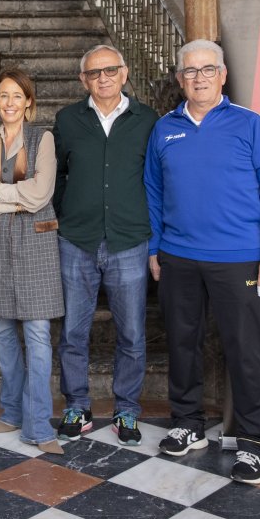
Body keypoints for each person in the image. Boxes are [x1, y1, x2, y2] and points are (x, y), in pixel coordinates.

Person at [144, 39, 260, 485]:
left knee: (244, 351)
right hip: (178, 258)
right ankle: (188, 424)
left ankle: (254, 444)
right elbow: (153, 191)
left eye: (208, 69)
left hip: (238, 260)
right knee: (183, 345)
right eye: (190, 71)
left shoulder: (249, 124)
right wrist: (155, 248)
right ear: (179, 79)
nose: (199, 77)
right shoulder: (164, 128)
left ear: (223, 75)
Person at [52, 44, 157, 446]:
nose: (103, 78)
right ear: (83, 80)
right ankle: (77, 406)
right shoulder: (68, 119)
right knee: (73, 333)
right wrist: (66, 216)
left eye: (110, 70)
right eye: (94, 73)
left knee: (131, 333)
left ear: (125, 73)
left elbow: (156, 180)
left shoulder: (147, 120)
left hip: (129, 240)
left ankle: (126, 410)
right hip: (77, 239)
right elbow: (58, 176)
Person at [0, 69, 62, 455]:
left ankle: (39, 425)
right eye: (3, 96)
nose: (9, 103)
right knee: (4, 333)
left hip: (36, 244)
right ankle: (12, 411)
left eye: (17, 96)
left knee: (37, 336)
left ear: (28, 102)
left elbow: (40, 194)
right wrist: (9, 198)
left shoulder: (43, 138)